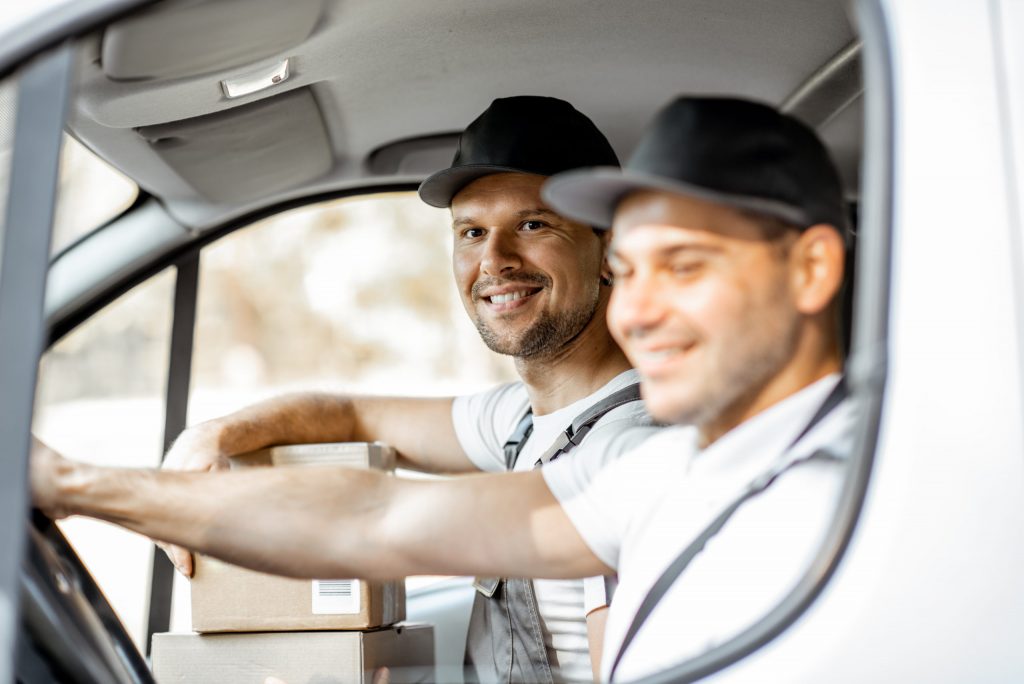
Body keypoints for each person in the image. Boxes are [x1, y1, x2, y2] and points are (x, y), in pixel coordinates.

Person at [31, 95, 854, 681]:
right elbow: (376, 514)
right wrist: (81, 481)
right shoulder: (676, 470)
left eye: (685, 267)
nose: (640, 311)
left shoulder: (844, 498)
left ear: (813, 268)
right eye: (634, 271)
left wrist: (74, 487)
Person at [156, 95, 658, 683]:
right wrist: (211, 437)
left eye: (532, 224)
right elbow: (349, 414)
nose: (494, 260)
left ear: (610, 251)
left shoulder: (629, 450)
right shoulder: (522, 421)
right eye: (471, 231)